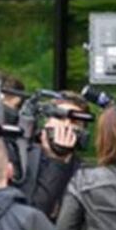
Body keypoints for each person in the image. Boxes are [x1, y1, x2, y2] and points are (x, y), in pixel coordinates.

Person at [16, 91, 90, 220]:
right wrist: (56, 161)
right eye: (60, 118)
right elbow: (33, 215)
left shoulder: (86, 173)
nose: (66, 125)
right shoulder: (22, 160)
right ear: (47, 122)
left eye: (74, 121)